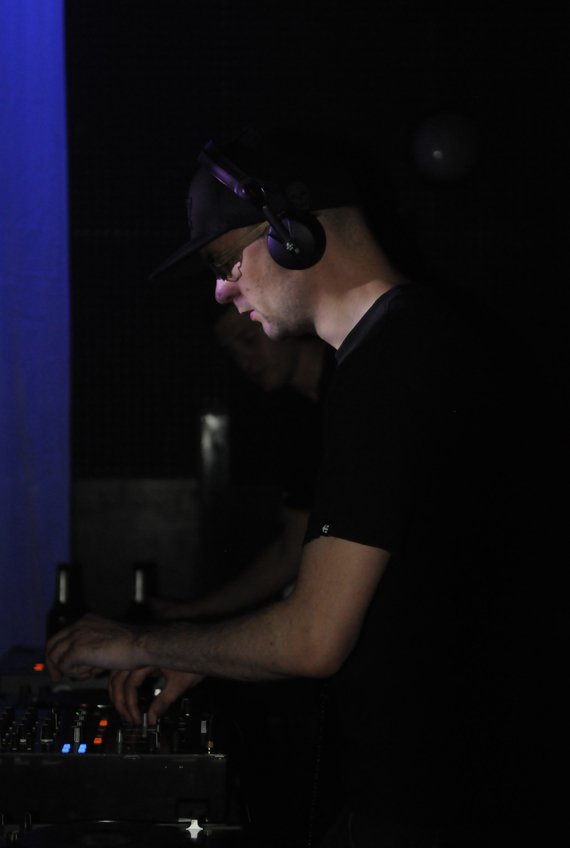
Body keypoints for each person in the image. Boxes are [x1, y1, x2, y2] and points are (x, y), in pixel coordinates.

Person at [46, 126, 563, 846]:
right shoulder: (397, 351)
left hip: (440, 805)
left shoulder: (398, 364)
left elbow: (314, 638)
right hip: (432, 792)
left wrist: (139, 643)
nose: (222, 290)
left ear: (293, 235)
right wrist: (197, 653)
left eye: (225, 261)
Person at [151, 303, 332, 621]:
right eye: (232, 352)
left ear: (286, 322)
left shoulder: (359, 383)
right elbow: (291, 548)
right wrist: (196, 611)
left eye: (249, 340)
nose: (244, 360)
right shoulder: (293, 421)